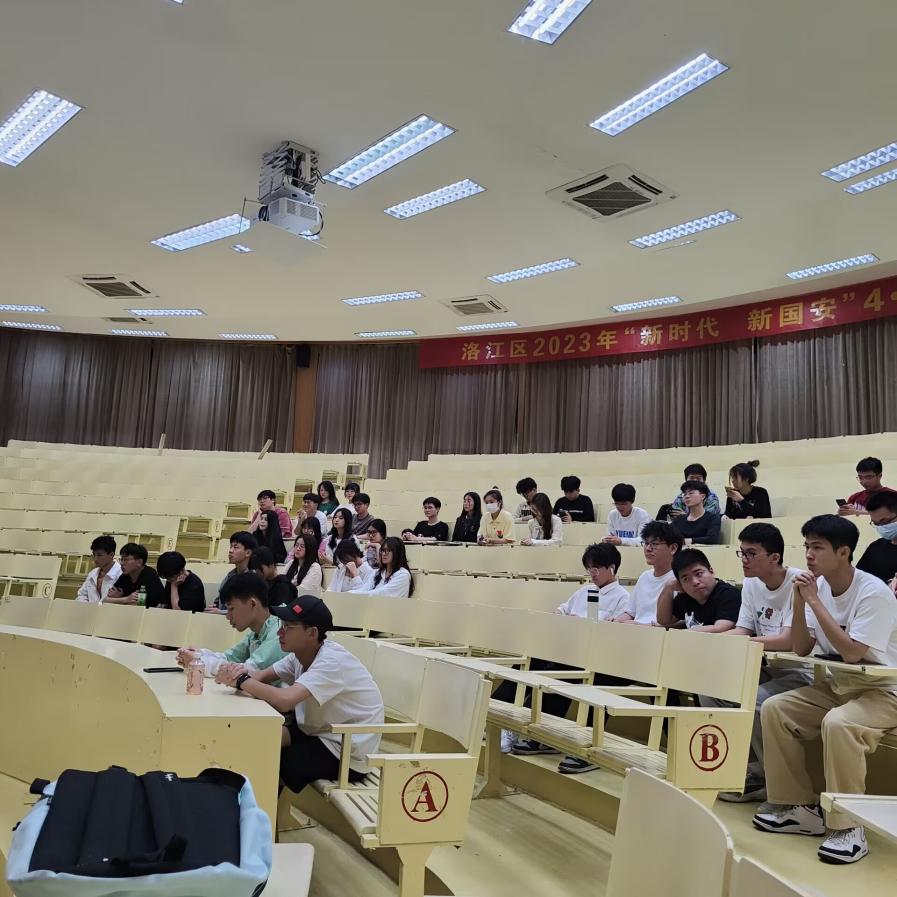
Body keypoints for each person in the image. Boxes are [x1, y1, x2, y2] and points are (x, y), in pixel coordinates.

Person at [753, 515, 897, 865]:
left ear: (843, 552)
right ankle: (799, 808)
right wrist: (799, 602)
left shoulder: (872, 592)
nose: (808, 555)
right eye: (806, 546)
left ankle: (849, 827)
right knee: (776, 708)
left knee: (839, 723)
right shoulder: (816, 588)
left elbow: (852, 652)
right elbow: (801, 647)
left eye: (817, 547)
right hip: (842, 684)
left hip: (886, 690)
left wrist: (814, 601)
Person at [214, 595, 385, 795]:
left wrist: (241, 680)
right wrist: (233, 671)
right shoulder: (299, 655)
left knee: (276, 761)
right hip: (320, 731)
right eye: (281, 625)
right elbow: (259, 676)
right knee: (261, 738)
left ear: (312, 633)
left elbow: (284, 700)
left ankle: (263, 810)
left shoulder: (332, 662)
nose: (280, 632)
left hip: (347, 751)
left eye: (288, 627)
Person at [705, 523, 811, 803]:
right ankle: (739, 766)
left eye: (751, 553)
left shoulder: (799, 582)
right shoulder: (752, 584)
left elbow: (788, 640)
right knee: (712, 689)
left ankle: (767, 777)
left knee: (756, 699)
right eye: (741, 553)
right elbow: (743, 629)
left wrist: (741, 642)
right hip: (765, 667)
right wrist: (709, 642)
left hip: (802, 672)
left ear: (775, 558)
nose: (744, 560)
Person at [175, 571, 287, 678]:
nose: (228, 616)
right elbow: (229, 657)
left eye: (231, 609)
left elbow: (247, 671)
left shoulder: (279, 631)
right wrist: (199, 654)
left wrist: (199, 662)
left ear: (252, 604)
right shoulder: (257, 631)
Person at [613, 522, 683, 625]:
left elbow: (681, 622)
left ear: (673, 548)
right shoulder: (644, 576)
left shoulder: (681, 579)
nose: (648, 549)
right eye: (646, 543)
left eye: (654, 544)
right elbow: (630, 613)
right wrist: (616, 621)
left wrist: (642, 626)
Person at [656, 548, 741, 632]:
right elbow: (663, 621)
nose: (695, 582)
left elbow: (720, 628)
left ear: (711, 571)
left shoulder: (729, 594)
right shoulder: (686, 597)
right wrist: (668, 587)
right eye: (686, 579)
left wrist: (684, 634)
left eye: (699, 574)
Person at [557, 543, 630, 621]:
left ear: (612, 568)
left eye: (595, 570)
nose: (592, 574)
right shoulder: (584, 591)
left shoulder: (623, 598)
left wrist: (579, 622)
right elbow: (562, 610)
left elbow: (615, 626)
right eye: (589, 569)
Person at [857, 491, 897, 589]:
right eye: (876, 523)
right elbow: (859, 578)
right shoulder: (876, 547)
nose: (881, 527)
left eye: (884, 521)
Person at [211, 531, 257, 611]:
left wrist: (220, 612)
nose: (230, 551)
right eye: (230, 547)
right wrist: (213, 607)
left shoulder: (254, 580)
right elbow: (219, 600)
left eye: (235, 547)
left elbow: (247, 610)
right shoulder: (230, 575)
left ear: (248, 553)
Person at [671, 481, 721, 545]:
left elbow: (712, 539)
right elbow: (670, 538)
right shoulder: (679, 519)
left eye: (691, 493)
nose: (687, 496)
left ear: (703, 496)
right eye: (685, 494)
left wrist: (685, 541)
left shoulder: (712, 518)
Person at [75, 535, 122, 603]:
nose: (95, 559)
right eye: (94, 555)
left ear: (111, 555)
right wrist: (87, 606)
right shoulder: (93, 573)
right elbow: (82, 595)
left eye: (99, 555)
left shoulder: (121, 574)